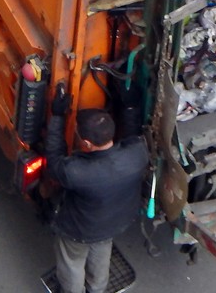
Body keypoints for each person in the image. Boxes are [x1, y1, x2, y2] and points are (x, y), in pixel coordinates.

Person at [46, 87, 149, 293]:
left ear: (86, 144)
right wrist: (130, 107)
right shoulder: (138, 153)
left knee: (72, 264)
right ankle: (97, 289)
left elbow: (54, 161)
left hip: (79, 229)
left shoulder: (77, 172)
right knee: (101, 251)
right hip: (114, 222)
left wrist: (57, 116)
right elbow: (132, 134)